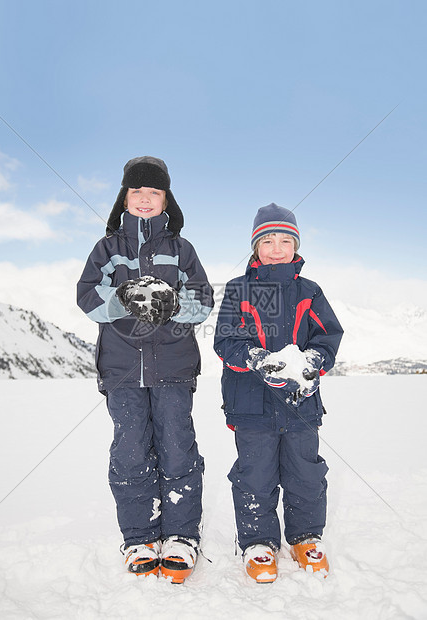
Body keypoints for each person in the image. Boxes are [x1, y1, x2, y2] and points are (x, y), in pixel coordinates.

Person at [77, 156, 214, 583]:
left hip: (173, 367)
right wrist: (124, 300)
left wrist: (173, 304)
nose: (145, 199)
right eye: (137, 192)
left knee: (177, 446)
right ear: (124, 198)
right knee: (131, 451)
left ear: (166, 199)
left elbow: (204, 302)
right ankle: (138, 536)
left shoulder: (181, 250)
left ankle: (181, 536)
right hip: (121, 370)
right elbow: (87, 297)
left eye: (153, 192)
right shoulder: (107, 249)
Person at [214, 203, 343, 583]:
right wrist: (256, 359)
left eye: (284, 240)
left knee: (305, 474)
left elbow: (328, 338)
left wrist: (311, 362)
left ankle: (305, 537)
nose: (275, 247)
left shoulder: (309, 291)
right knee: (255, 475)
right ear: (255, 246)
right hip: (251, 407)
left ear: (295, 246)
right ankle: (258, 543)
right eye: (267, 240)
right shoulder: (239, 290)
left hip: (301, 406)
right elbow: (226, 341)